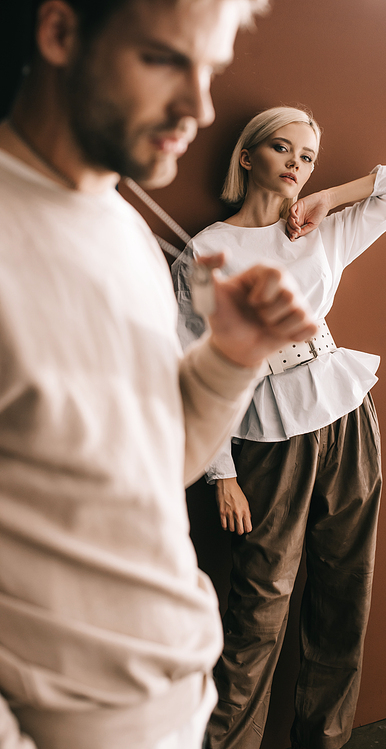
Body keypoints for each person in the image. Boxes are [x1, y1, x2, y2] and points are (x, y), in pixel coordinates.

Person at [0, 4, 321, 749]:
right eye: (164, 61)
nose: (200, 108)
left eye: (207, 70)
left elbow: (156, 465)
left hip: (178, 705)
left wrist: (229, 360)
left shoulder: (123, 227)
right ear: (59, 34)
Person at [171, 105, 386, 749]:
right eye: (283, 149)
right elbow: (198, 371)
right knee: (259, 613)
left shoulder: (322, 231)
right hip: (267, 439)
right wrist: (220, 474)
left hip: (347, 419)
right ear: (246, 155)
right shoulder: (208, 249)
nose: (296, 164)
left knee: (345, 595)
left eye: (308, 156)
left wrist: (330, 196)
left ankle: (325, 741)